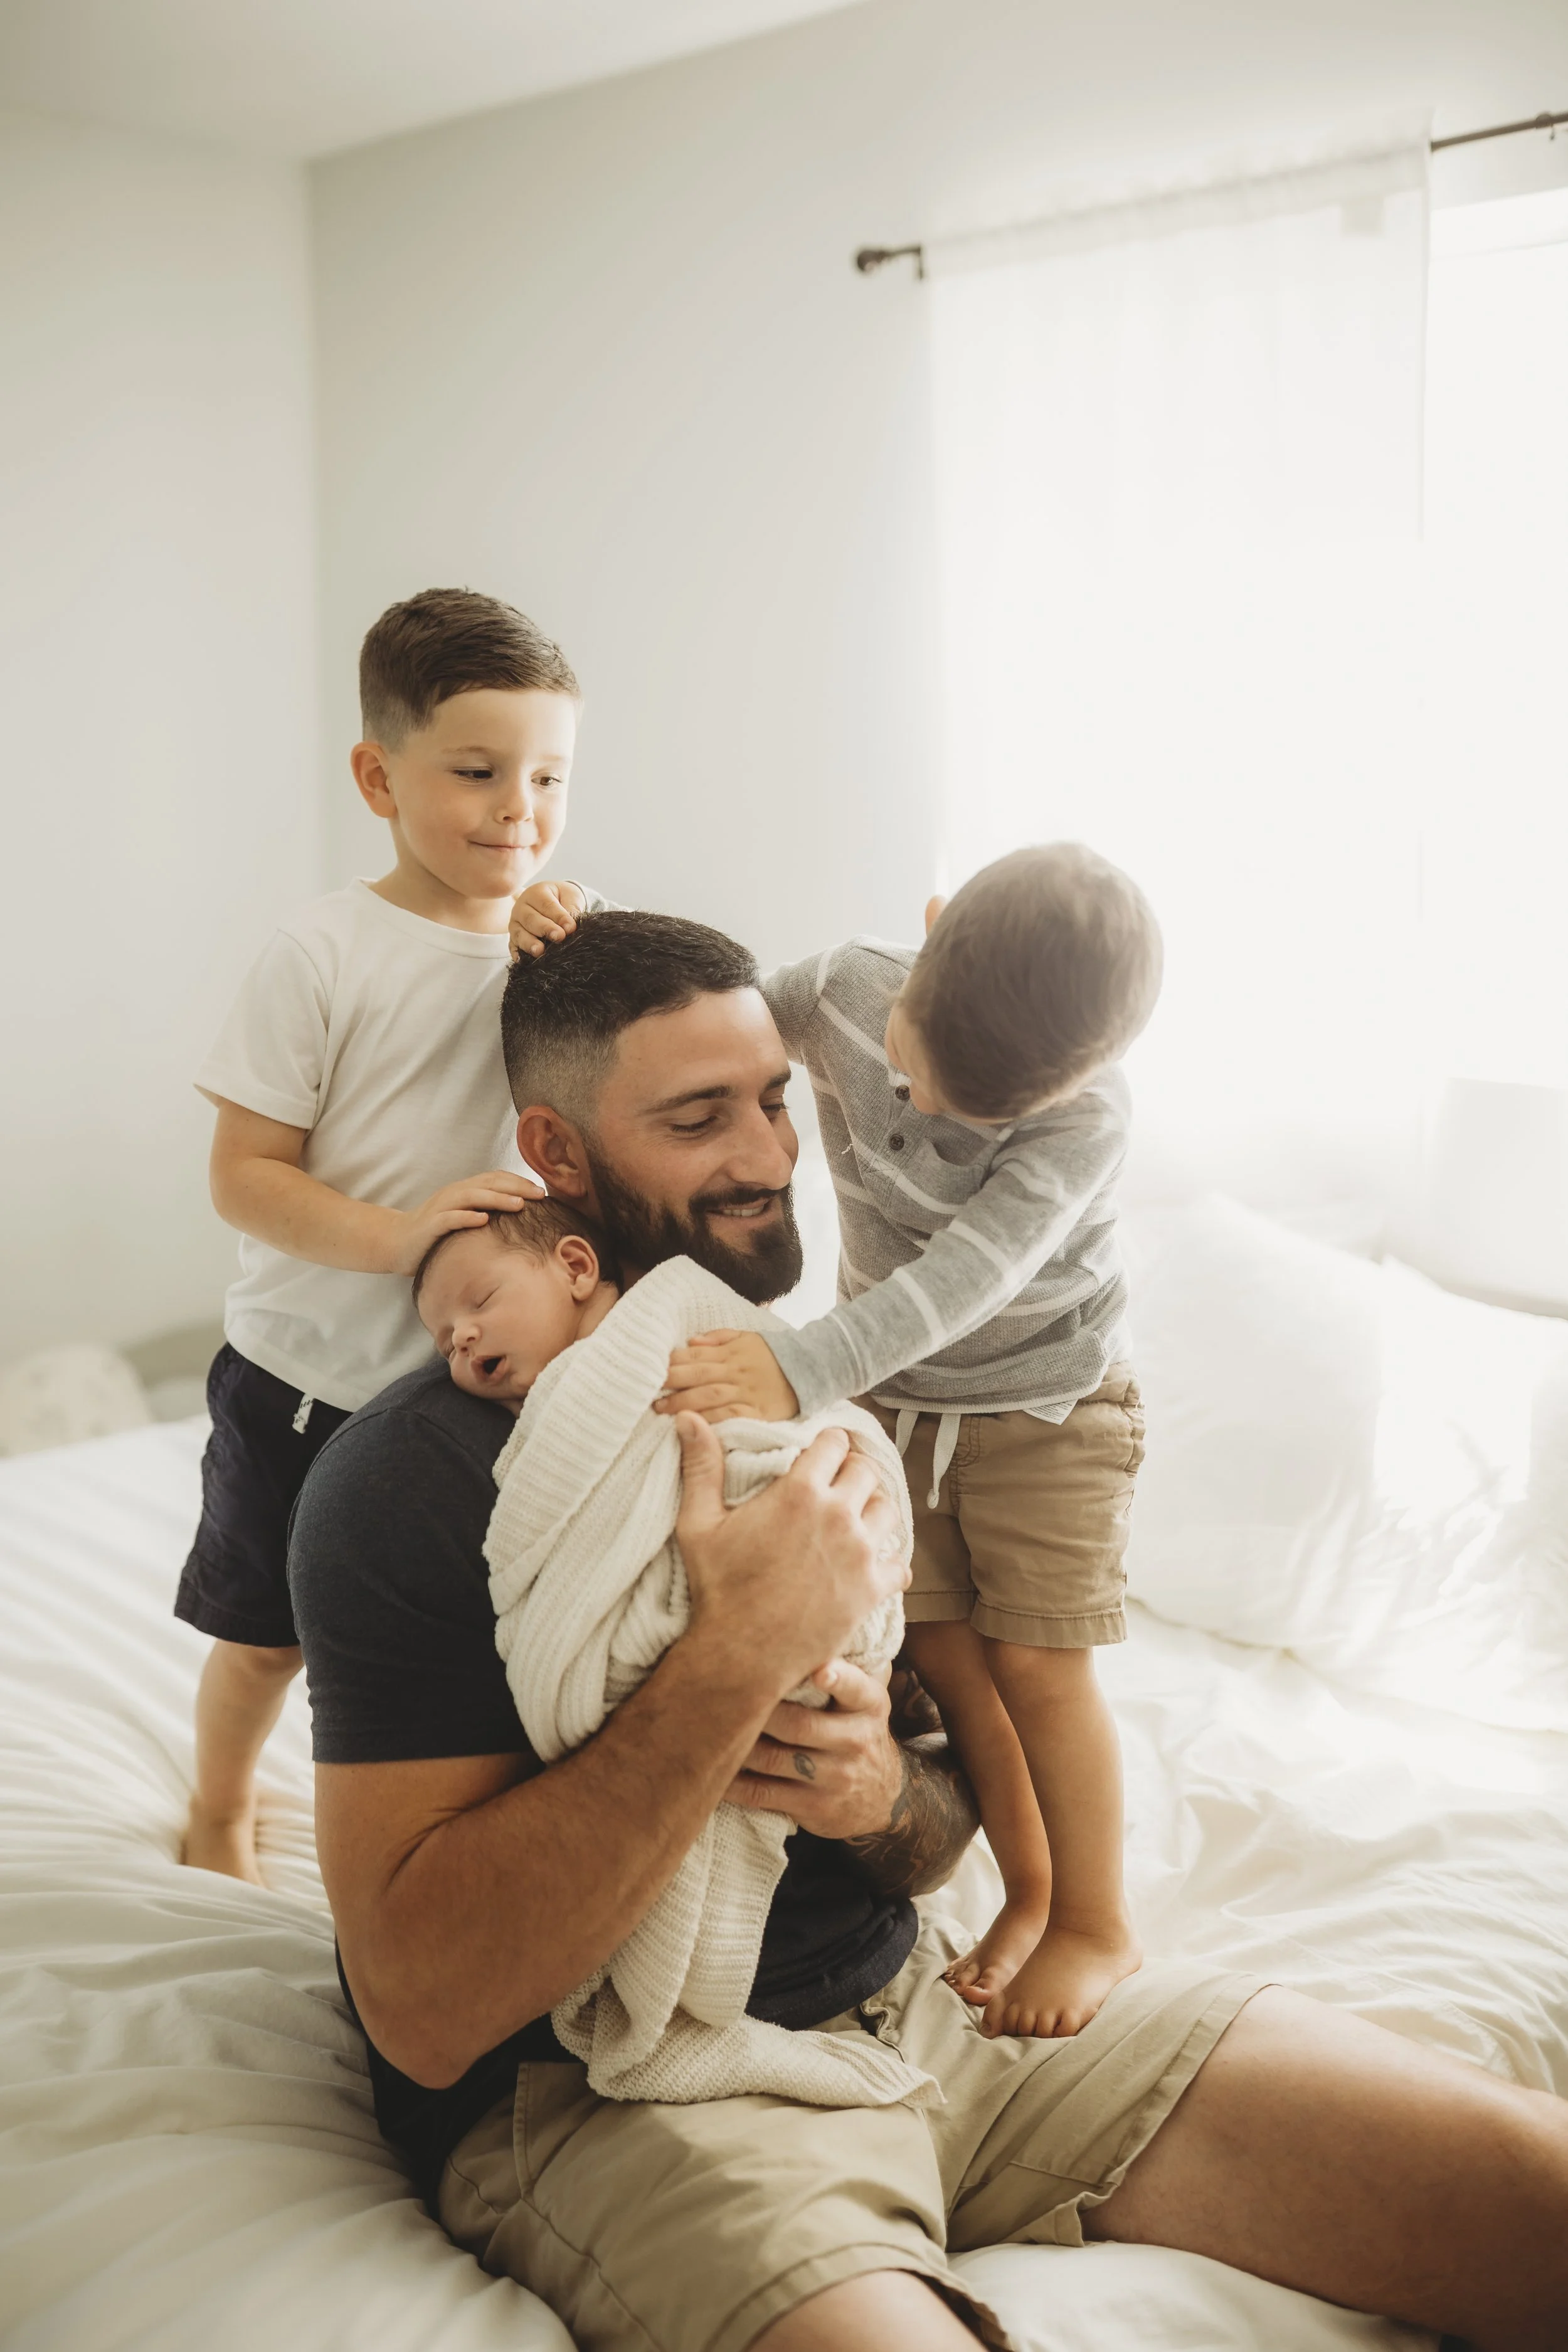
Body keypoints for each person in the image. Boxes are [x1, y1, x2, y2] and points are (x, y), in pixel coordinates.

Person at [292, 910, 1568, 2352]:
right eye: (700, 1115)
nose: (773, 1155)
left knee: (1529, 2183)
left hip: (943, 2001)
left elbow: (940, 1817)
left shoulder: (828, 1409)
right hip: (632, 2086)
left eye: (777, 1097)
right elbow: (424, 2006)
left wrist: (874, 1792)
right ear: (561, 1154)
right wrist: (730, 1655)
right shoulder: (410, 1483)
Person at [518, 847, 1157, 2042]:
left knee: (1039, 1667)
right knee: (953, 1658)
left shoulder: (1085, 1118)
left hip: (1046, 1410)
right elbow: (713, 1025)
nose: (914, 1109)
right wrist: (594, 928)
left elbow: (970, 1277)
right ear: (925, 933)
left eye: (974, 1115)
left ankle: (1098, 1919)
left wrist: (804, 1365)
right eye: (913, 1074)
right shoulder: (852, 987)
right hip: (910, 1399)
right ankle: (1031, 1895)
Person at [174, 586, 580, 1882]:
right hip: (305, 1375)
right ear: (377, 776)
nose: (518, 809)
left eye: (548, 776)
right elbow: (244, 1176)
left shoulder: (547, 951)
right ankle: (226, 1807)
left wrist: (568, 948)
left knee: (450, 1635)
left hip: (454, 1392)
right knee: (267, 1636)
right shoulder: (320, 952)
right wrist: (402, 1238)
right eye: (477, 773)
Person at [413, 1197, 621, 1407]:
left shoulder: (651, 1321)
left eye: (484, 1299)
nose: (459, 1338)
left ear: (575, 1269)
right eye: (449, 1349)